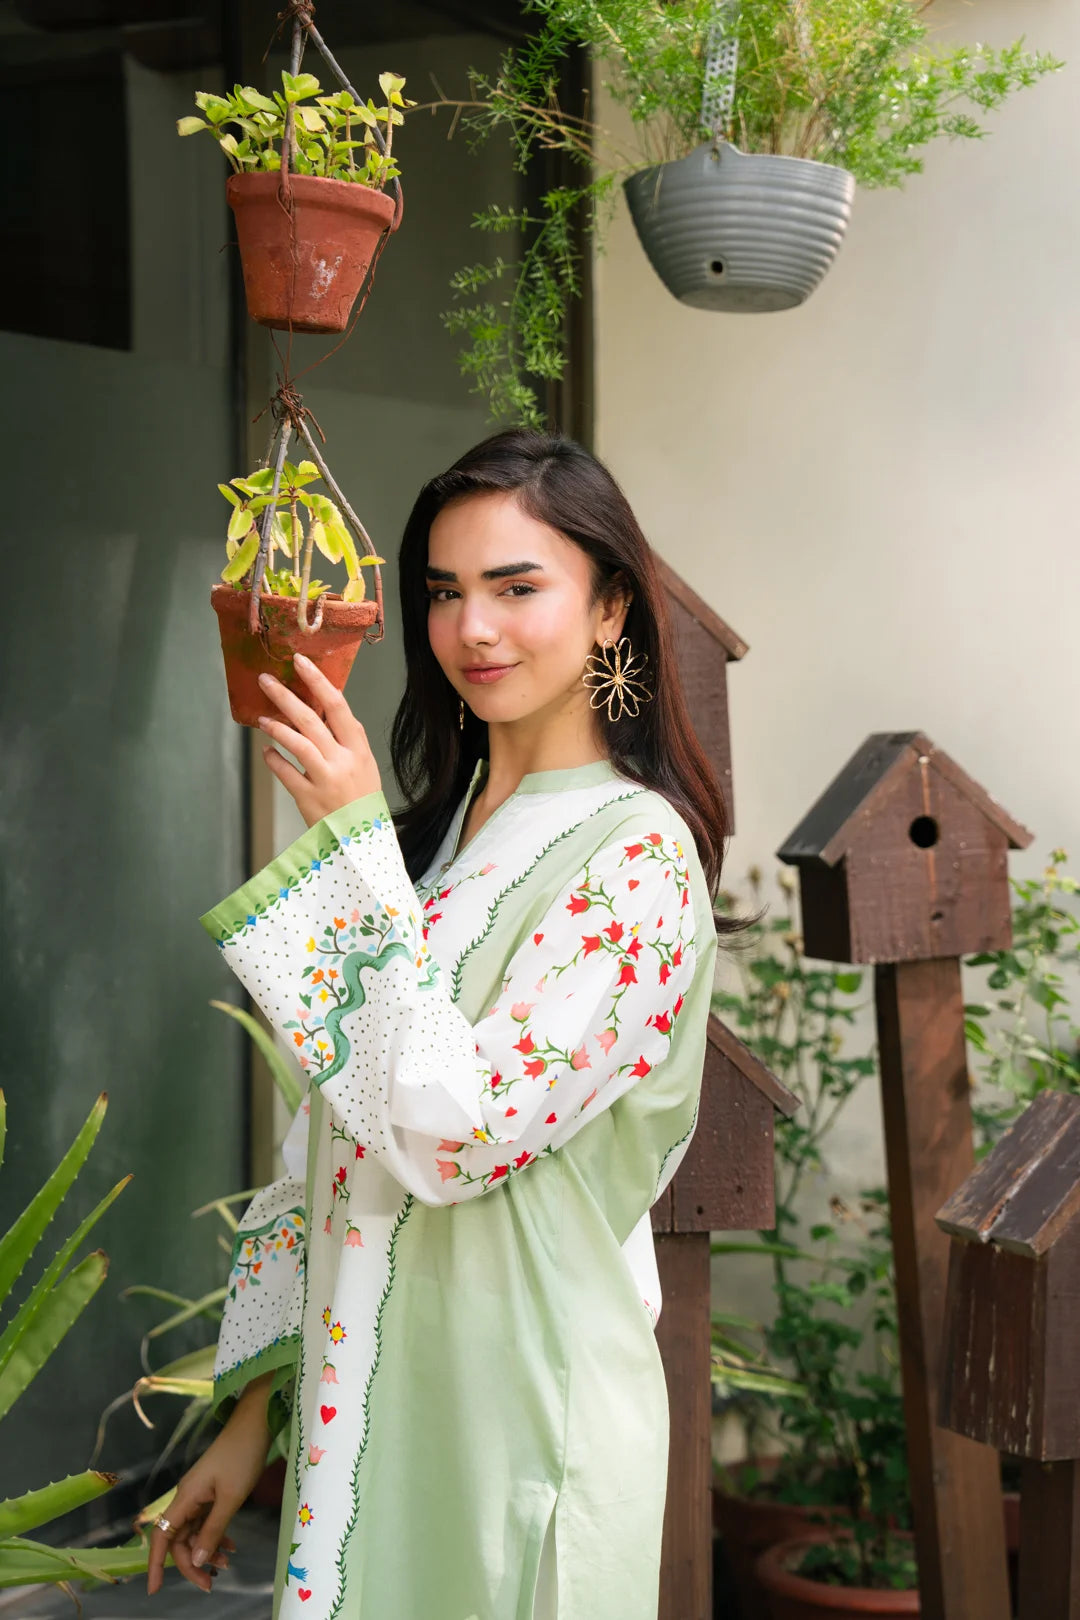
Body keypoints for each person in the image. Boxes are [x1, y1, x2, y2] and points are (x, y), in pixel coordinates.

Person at [147, 428, 742, 1620]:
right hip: (360, 1399)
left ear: (611, 606)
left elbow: (453, 1136)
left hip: (516, 1416)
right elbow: (329, 1137)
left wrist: (353, 852)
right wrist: (255, 1423)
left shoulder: (637, 859)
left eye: (518, 588)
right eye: (444, 593)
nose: (474, 630)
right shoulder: (433, 844)